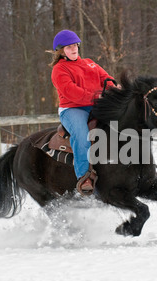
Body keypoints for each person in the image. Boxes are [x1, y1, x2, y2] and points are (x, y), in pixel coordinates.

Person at [49, 30, 117, 196]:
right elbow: (72, 92)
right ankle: (84, 177)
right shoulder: (59, 69)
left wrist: (116, 89)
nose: (73, 49)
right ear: (60, 51)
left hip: (95, 105)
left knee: (123, 123)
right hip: (72, 109)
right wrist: (97, 97)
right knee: (81, 136)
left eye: (75, 45)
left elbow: (106, 79)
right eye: (68, 47)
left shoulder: (89, 63)